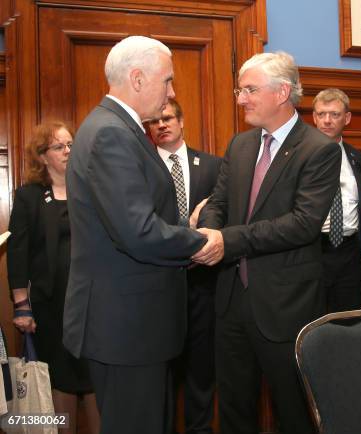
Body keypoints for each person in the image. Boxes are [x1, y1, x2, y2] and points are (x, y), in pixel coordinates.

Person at [63, 36, 208, 434]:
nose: (172, 92)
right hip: (126, 329)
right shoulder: (112, 133)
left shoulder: (118, 128)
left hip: (132, 326)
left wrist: (182, 230)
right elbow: (139, 232)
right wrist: (202, 241)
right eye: (168, 80)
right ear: (139, 78)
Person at [196, 51, 341, 434]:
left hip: (285, 305)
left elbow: (302, 224)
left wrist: (227, 240)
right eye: (240, 89)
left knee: (293, 412)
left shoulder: (318, 149)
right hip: (230, 301)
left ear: (281, 92)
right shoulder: (240, 145)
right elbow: (219, 202)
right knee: (234, 411)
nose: (240, 98)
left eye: (248, 89)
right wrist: (208, 233)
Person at [8, 122, 100, 434]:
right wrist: (21, 305)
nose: (68, 151)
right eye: (59, 146)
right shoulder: (29, 196)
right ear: (43, 155)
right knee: (58, 376)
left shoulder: (90, 189)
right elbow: (17, 254)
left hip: (92, 303)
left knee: (93, 375)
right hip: (50, 306)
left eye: (71, 144)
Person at [148, 98, 221, 434]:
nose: (162, 125)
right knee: (161, 374)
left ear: (181, 121)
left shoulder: (212, 165)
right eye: (155, 121)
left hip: (203, 283)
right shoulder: (143, 165)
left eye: (168, 118)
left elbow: (223, 213)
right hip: (158, 284)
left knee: (201, 371)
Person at [312, 88, 361, 312]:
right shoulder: (298, 158)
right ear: (314, 117)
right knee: (314, 319)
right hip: (314, 249)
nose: (327, 120)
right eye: (321, 114)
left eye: (334, 114)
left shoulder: (358, 159)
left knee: (350, 318)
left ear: (347, 118)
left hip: (350, 251)